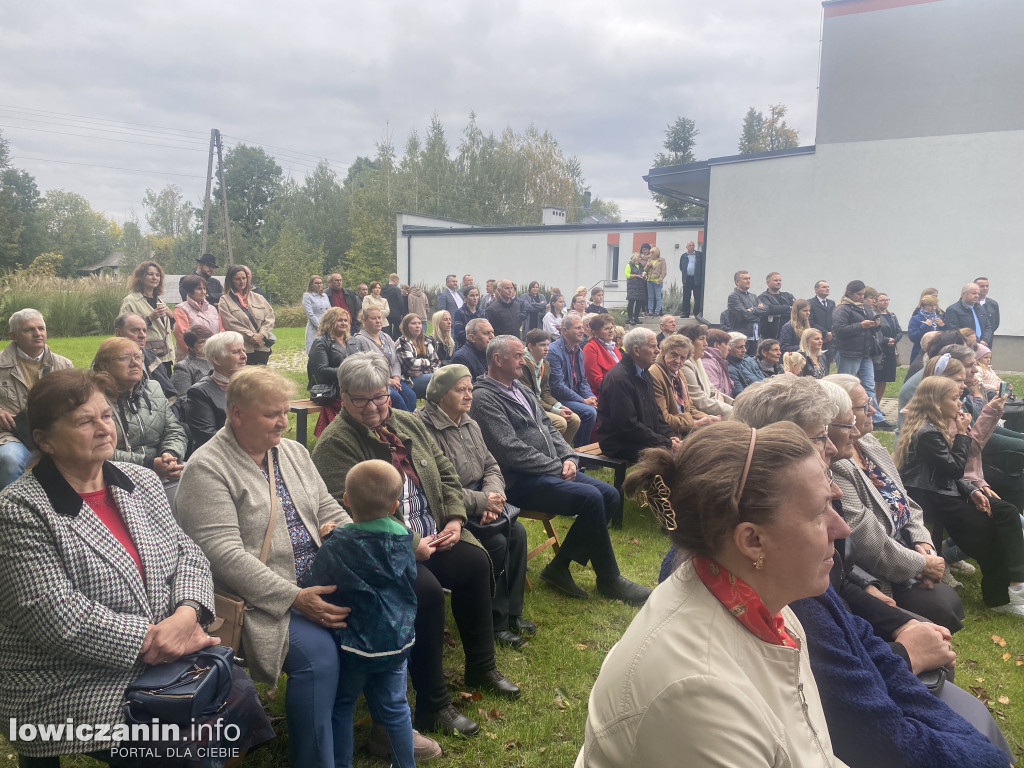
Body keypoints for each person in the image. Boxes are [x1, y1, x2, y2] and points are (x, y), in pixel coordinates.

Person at [723, 381, 1015, 768]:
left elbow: (904, 510)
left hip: (873, 604)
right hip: (880, 583)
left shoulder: (781, 561)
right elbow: (867, 725)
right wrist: (902, 646)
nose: (838, 442)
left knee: (934, 626)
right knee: (940, 621)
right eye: (822, 434)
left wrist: (921, 556)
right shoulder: (780, 579)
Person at [0, 369, 273, 765]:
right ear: (44, 440)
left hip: (162, 656)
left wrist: (186, 614)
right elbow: (56, 617)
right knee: (178, 751)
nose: (102, 428)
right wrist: (160, 642)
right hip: (63, 678)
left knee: (223, 709)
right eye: (84, 421)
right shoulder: (19, 510)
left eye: (106, 416)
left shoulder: (140, 481)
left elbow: (188, 554)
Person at [577, 421, 849, 768]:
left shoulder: (762, 606)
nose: (842, 527)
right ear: (752, 541)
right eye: (818, 513)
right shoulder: (696, 695)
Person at [175, 367, 381, 767]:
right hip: (259, 599)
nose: (284, 422)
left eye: (286, 412)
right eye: (273, 414)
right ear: (237, 414)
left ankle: (384, 729)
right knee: (319, 659)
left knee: (381, 619)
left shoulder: (293, 452)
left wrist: (342, 531)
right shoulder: (208, 468)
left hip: (318, 579)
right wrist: (295, 597)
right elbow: (223, 554)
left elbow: (326, 505)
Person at [311, 353, 520, 738]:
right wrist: (410, 545)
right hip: (382, 549)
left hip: (435, 532)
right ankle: (433, 703)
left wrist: (456, 518)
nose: (375, 407)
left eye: (380, 396)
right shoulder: (335, 445)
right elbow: (351, 513)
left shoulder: (406, 422)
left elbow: (444, 472)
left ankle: (481, 666)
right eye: (362, 400)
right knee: (425, 592)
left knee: (475, 563)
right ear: (343, 397)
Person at [471, 336, 650, 605]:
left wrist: (569, 456)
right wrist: (557, 466)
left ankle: (559, 566)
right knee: (591, 498)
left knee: (610, 495)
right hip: (517, 480)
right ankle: (609, 579)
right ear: (498, 360)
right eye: (519, 356)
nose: (524, 361)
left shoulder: (520, 388)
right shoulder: (484, 398)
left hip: (548, 470)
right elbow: (509, 450)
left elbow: (548, 427)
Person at [826, 374, 965, 632]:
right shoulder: (838, 462)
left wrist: (924, 544)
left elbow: (907, 502)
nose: (873, 410)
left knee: (947, 604)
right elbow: (869, 543)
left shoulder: (868, 442)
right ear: (837, 415)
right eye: (862, 407)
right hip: (879, 571)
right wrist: (921, 564)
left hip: (907, 550)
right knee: (942, 607)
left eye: (870, 402)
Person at [305, 460, 421, 768]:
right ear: (396, 504)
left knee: (342, 705)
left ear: (345, 500)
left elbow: (317, 582)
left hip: (355, 645)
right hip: (397, 639)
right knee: (396, 706)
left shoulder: (338, 544)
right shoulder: (404, 537)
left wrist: (330, 536)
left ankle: (342, 763)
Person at [416, 366, 533, 649]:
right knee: (495, 541)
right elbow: (437, 486)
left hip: (481, 502)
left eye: (470, 389)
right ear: (441, 395)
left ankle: (511, 614)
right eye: (461, 390)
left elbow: (491, 465)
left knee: (516, 534)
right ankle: (492, 622)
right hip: (447, 511)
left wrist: (492, 496)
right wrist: (483, 502)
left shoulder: (469, 422)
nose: (469, 396)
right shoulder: (425, 428)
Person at [896, 376, 1024, 617]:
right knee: (988, 532)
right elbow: (955, 469)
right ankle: (1004, 595)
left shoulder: (935, 425)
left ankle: (1014, 585)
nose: (959, 404)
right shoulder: (927, 432)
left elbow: (951, 473)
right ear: (936, 402)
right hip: (931, 497)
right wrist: (963, 433)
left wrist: (972, 490)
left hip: (942, 491)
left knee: (1003, 513)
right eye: (954, 399)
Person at [92, 337, 186, 490]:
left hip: (162, 469)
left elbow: (174, 429)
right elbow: (98, 449)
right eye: (124, 358)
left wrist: (170, 456)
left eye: (138, 357)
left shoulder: (153, 388)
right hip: (116, 478)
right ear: (104, 366)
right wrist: (148, 464)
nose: (134, 362)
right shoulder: (94, 398)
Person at [0, 309, 73, 488]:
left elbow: (76, 403)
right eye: (29, 330)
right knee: (10, 459)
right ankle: (10, 508)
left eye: (41, 328)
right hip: (12, 434)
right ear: (13, 335)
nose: (38, 333)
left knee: (81, 453)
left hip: (54, 432)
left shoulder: (63, 365)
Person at [596, 328, 679, 461]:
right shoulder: (618, 379)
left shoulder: (644, 373)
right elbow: (628, 426)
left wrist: (669, 436)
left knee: (683, 453)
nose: (657, 351)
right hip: (619, 443)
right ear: (636, 350)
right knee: (670, 458)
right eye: (652, 346)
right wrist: (665, 443)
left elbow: (656, 412)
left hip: (640, 438)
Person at [832, 280, 886, 427]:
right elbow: (839, 330)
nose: (861, 297)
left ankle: (876, 418)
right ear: (849, 293)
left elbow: (871, 329)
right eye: (859, 294)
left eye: (863, 294)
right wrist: (861, 325)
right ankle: (841, 415)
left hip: (866, 353)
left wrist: (875, 325)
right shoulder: (842, 309)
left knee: (868, 386)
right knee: (846, 386)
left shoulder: (866, 309)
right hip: (848, 352)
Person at [184, 330, 247, 452]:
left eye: (243, 350)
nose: (244, 356)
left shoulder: (250, 384)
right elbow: (208, 437)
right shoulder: (199, 393)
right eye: (236, 352)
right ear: (216, 359)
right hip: (221, 456)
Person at [647, 333, 718, 438]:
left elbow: (689, 408)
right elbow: (663, 420)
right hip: (671, 436)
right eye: (674, 355)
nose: (678, 361)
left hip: (684, 429)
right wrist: (694, 424)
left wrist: (709, 418)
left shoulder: (678, 374)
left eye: (683, 358)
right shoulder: (654, 374)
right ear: (663, 351)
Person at [348, 305, 417, 412]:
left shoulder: (386, 337)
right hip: (375, 381)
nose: (378, 321)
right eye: (373, 318)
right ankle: (399, 425)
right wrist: (388, 381)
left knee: (411, 396)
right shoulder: (360, 340)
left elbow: (395, 361)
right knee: (397, 399)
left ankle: (410, 424)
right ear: (365, 320)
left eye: (379, 318)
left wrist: (396, 378)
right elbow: (364, 367)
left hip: (394, 380)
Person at [521, 328, 581, 443]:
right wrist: (555, 410)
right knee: (560, 423)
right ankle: (549, 454)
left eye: (548, 345)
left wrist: (559, 406)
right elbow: (528, 397)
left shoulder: (545, 364)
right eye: (542, 345)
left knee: (575, 419)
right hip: (530, 407)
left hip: (542, 404)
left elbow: (546, 392)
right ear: (530, 346)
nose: (546, 349)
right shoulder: (524, 364)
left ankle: (563, 454)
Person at [547, 314, 598, 447]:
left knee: (597, 405)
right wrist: (583, 401)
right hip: (558, 398)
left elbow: (582, 381)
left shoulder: (578, 351)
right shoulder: (553, 351)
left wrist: (590, 396)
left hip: (574, 396)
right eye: (577, 328)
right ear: (564, 331)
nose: (582, 331)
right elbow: (558, 386)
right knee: (589, 412)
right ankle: (582, 456)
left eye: (582, 327)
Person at [120, 260, 175, 375]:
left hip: (165, 357)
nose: (155, 277)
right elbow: (123, 328)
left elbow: (167, 329)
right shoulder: (131, 301)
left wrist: (171, 317)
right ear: (141, 277)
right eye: (150, 274)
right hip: (146, 357)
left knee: (166, 391)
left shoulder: (160, 301)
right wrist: (150, 318)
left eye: (158, 275)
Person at [219, 264, 276, 366]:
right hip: (242, 348)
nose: (242, 282)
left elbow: (270, 317)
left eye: (244, 278)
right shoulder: (224, 300)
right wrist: (251, 336)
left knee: (261, 379)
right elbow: (230, 323)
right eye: (237, 279)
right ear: (231, 280)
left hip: (262, 347)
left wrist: (262, 335)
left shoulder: (258, 297)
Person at [307, 307, 350, 436]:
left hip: (351, 385)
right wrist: (349, 371)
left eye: (345, 320)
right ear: (330, 322)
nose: (344, 323)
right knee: (358, 402)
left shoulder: (352, 341)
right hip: (331, 388)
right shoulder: (321, 342)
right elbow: (322, 371)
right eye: (339, 320)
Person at [114, 312, 176, 399]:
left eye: (144, 330)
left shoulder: (153, 359)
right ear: (119, 333)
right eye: (135, 330)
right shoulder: (108, 361)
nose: (142, 335)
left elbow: (171, 395)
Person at [679, 325, 733, 417]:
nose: (706, 344)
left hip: (710, 410)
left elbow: (711, 389)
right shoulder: (685, 364)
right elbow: (699, 401)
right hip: (698, 416)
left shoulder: (698, 360)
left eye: (706, 339)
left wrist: (734, 404)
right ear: (688, 342)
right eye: (701, 339)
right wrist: (733, 411)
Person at [173, 273, 222, 360]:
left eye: (204, 288)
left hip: (213, 356)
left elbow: (221, 330)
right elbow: (182, 335)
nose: (203, 291)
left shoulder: (212, 309)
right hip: (191, 358)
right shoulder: (181, 309)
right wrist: (199, 352)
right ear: (189, 290)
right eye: (199, 289)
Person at [397, 313, 439, 400]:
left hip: (425, 375)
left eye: (419, 323)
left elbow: (435, 362)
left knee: (445, 380)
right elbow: (411, 367)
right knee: (439, 380)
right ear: (406, 326)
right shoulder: (402, 343)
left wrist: (422, 371)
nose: (417, 326)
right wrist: (427, 362)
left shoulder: (427, 341)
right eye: (413, 323)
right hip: (409, 380)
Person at [873, 292, 902, 400]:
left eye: (887, 300)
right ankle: (873, 405)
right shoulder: (874, 315)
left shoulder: (892, 315)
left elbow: (899, 331)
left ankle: (878, 404)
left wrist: (894, 340)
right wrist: (886, 340)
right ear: (876, 302)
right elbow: (876, 332)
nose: (885, 302)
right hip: (879, 351)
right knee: (876, 379)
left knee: (884, 379)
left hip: (890, 351)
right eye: (882, 300)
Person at [944, 282, 993, 347]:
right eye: (973, 293)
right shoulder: (953, 310)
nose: (977, 296)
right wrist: (970, 340)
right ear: (963, 294)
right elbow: (953, 329)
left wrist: (985, 340)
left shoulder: (980, 308)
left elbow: (988, 326)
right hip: (964, 346)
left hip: (982, 344)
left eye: (978, 294)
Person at [583, 314, 621, 395]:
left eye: (611, 327)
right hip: (604, 394)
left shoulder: (613, 347)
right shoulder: (590, 348)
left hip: (620, 389)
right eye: (606, 329)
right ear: (596, 332)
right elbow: (595, 380)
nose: (611, 331)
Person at [171, 326, 214, 397]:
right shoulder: (184, 367)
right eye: (202, 342)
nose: (207, 344)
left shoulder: (221, 360)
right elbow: (183, 398)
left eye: (209, 341)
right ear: (191, 346)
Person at [907, 293, 945, 365]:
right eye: (930, 306)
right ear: (923, 306)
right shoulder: (916, 319)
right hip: (921, 352)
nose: (934, 308)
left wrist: (943, 326)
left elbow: (947, 335)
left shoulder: (939, 318)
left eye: (935, 305)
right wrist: (924, 326)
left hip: (938, 351)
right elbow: (913, 337)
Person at [757, 272, 794, 342]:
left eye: (780, 280)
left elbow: (796, 309)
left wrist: (778, 313)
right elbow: (769, 309)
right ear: (768, 283)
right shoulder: (763, 297)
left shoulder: (787, 295)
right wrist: (788, 307)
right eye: (775, 280)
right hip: (770, 337)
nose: (778, 282)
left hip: (788, 335)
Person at [726, 331, 765, 397]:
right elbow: (740, 394)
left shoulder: (749, 360)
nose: (744, 350)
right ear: (729, 349)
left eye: (744, 346)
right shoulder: (729, 369)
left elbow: (763, 378)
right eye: (740, 347)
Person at [810, 280, 836, 368]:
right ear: (816, 289)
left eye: (828, 287)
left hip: (830, 340)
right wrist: (825, 333)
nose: (827, 289)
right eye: (824, 287)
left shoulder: (832, 303)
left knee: (827, 365)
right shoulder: (810, 303)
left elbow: (835, 320)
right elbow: (811, 322)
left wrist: (831, 333)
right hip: (817, 338)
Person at [302, 275, 331, 353]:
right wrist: (320, 326)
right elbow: (310, 314)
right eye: (316, 283)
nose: (319, 285)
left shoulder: (324, 296)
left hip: (327, 326)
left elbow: (330, 310)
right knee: (315, 350)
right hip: (315, 327)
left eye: (320, 283)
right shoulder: (307, 296)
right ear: (311, 284)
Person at [701, 327, 733, 397]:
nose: (729, 348)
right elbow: (714, 395)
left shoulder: (718, 361)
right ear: (716, 345)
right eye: (726, 344)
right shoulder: (708, 364)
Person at [677, 240, 703, 318]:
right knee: (686, 296)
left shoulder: (699, 255)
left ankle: (697, 312)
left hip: (696, 278)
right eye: (690, 246)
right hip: (687, 278)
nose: (691, 247)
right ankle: (685, 313)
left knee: (697, 297)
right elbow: (681, 267)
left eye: (693, 245)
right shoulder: (684, 256)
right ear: (687, 247)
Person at [624, 249, 648, 325]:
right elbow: (627, 275)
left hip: (640, 286)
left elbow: (642, 273)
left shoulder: (640, 266)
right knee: (631, 302)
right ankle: (630, 318)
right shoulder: (629, 265)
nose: (640, 259)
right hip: (632, 287)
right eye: (639, 258)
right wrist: (636, 275)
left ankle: (636, 317)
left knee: (639, 303)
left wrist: (644, 275)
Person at [382, 273, 406, 340]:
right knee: (399, 331)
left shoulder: (382, 289)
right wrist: (402, 313)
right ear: (395, 280)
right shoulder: (396, 289)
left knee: (387, 331)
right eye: (398, 281)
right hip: (396, 313)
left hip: (386, 313)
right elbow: (400, 302)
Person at [644, 245, 666, 316]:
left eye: (652, 253)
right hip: (649, 280)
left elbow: (664, 272)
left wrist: (660, 279)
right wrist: (648, 266)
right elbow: (645, 270)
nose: (651, 254)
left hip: (657, 281)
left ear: (656, 253)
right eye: (650, 253)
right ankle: (650, 311)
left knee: (658, 297)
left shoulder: (661, 260)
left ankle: (657, 311)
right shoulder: (649, 260)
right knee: (650, 297)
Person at [975, 277, 999, 342]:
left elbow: (995, 323)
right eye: (982, 286)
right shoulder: (970, 304)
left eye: (987, 286)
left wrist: (986, 337)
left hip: (987, 341)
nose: (985, 288)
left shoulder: (993, 304)